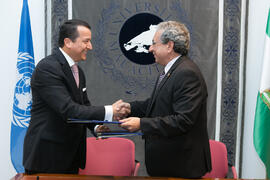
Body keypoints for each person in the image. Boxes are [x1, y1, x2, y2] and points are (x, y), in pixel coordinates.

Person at [23, 19, 129, 174]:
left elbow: (83, 106)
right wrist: (110, 111)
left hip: (70, 156)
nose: (90, 46)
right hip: (47, 157)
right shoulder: (48, 68)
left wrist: (96, 126)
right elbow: (68, 109)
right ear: (68, 42)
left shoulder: (78, 71)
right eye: (86, 41)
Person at [119, 21, 212, 178]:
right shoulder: (173, 70)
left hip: (181, 166)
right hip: (169, 164)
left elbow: (183, 120)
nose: (150, 49)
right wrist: (129, 108)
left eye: (154, 44)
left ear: (169, 46)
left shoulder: (186, 73)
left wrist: (142, 124)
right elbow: (156, 104)